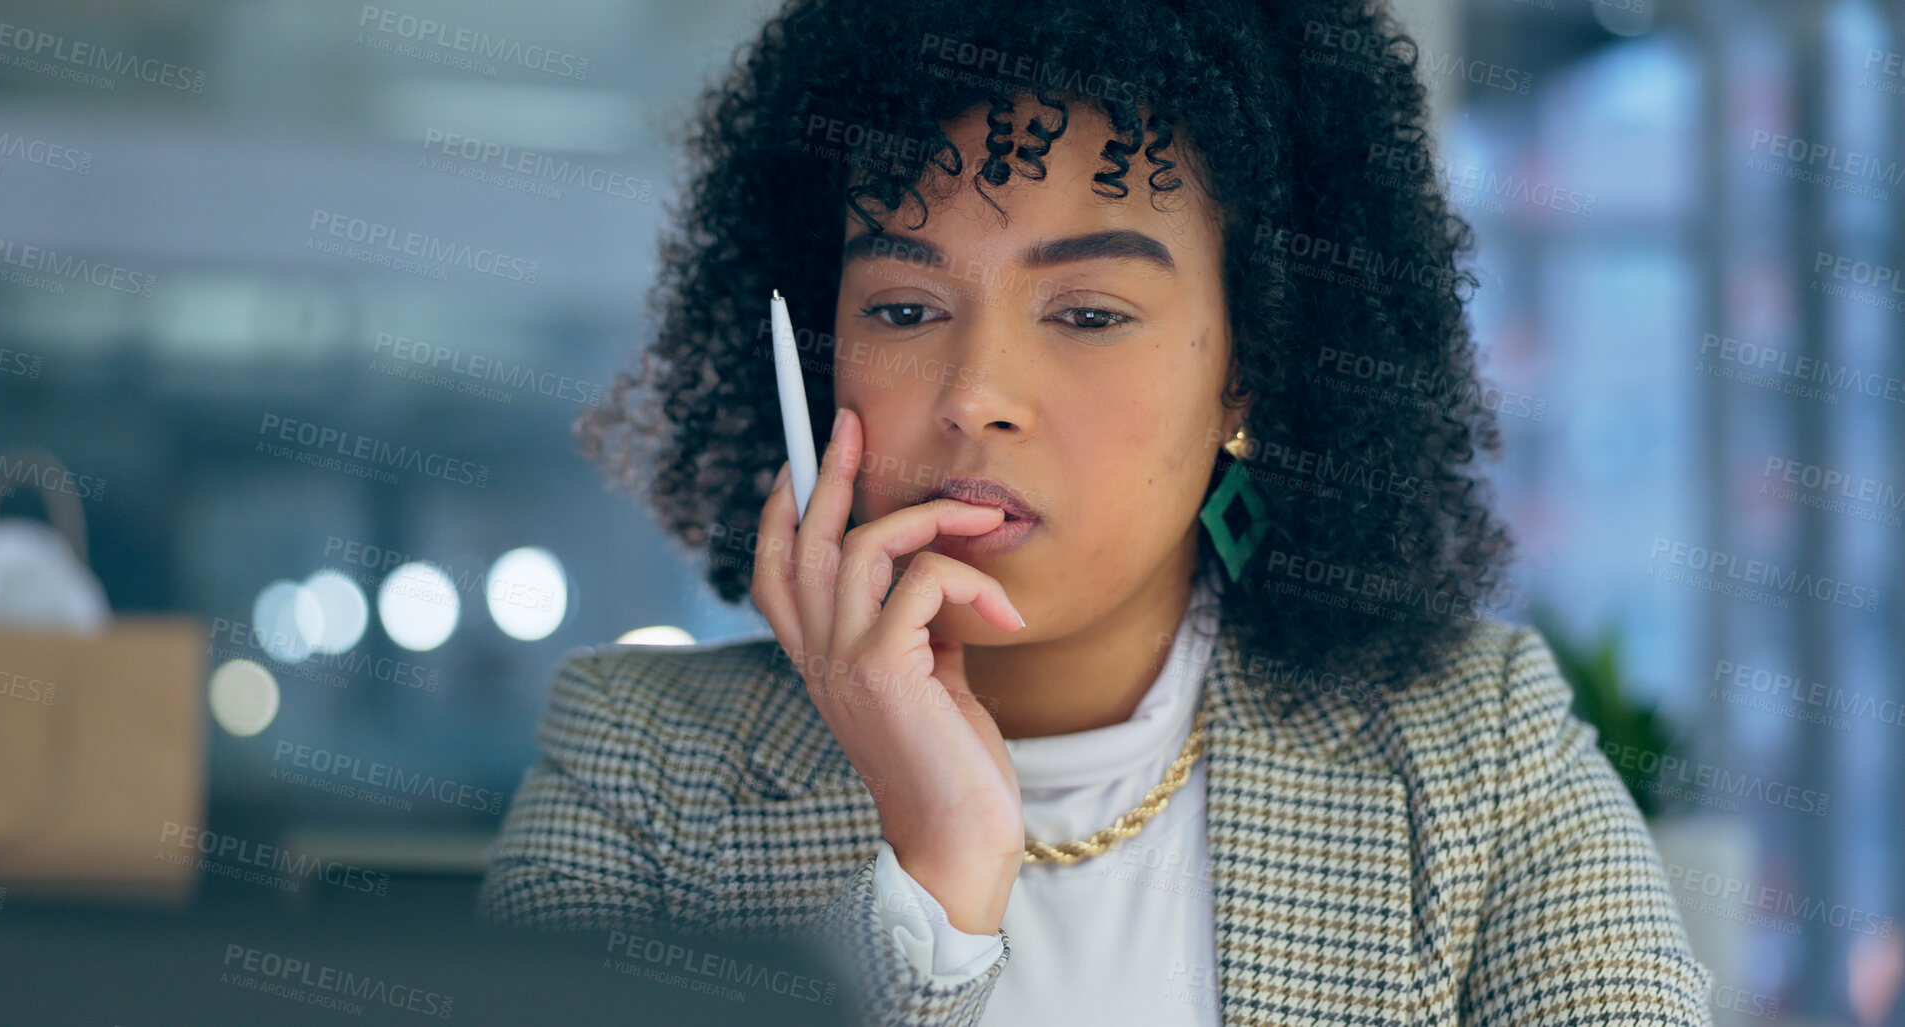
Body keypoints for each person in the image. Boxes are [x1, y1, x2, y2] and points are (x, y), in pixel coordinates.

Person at [478, 0, 1714, 1023]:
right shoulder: (642, 763)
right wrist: (937, 880)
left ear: (1250, 369)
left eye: (1087, 314)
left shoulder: (1474, 753)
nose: (975, 399)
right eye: (905, 310)